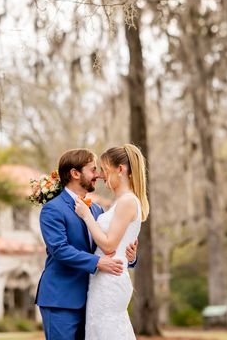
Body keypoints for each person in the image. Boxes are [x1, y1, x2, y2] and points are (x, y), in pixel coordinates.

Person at [35, 148, 138, 340]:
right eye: (92, 170)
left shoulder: (97, 210)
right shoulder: (52, 209)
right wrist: (98, 263)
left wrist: (130, 257)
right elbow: (59, 249)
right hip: (61, 300)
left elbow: (107, 243)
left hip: (94, 299)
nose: (98, 175)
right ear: (75, 173)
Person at [74, 144, 150, 340]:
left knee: (106, 330)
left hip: (110, 280)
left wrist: (86, 216)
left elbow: (109, 245)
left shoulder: (127, 201)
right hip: (103, 277)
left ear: (121, 169)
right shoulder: (121, 202)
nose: (100, 175)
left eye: (105, 169)